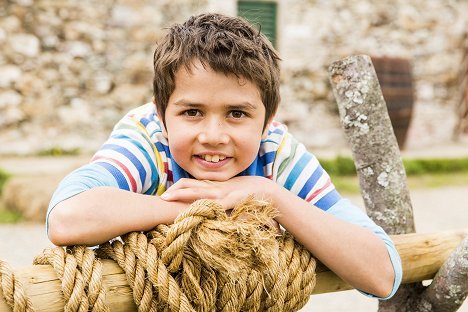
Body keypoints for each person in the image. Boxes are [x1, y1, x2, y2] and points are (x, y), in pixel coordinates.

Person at [47, 13, 402, 299]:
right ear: (162, 116)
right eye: (192, 112)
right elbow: (67, 217)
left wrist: (270, 194)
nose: (213, 137)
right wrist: (204, 208)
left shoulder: (275, 151)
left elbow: (383, 274)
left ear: (267, 122)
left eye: (237, 113)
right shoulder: (149, 139)